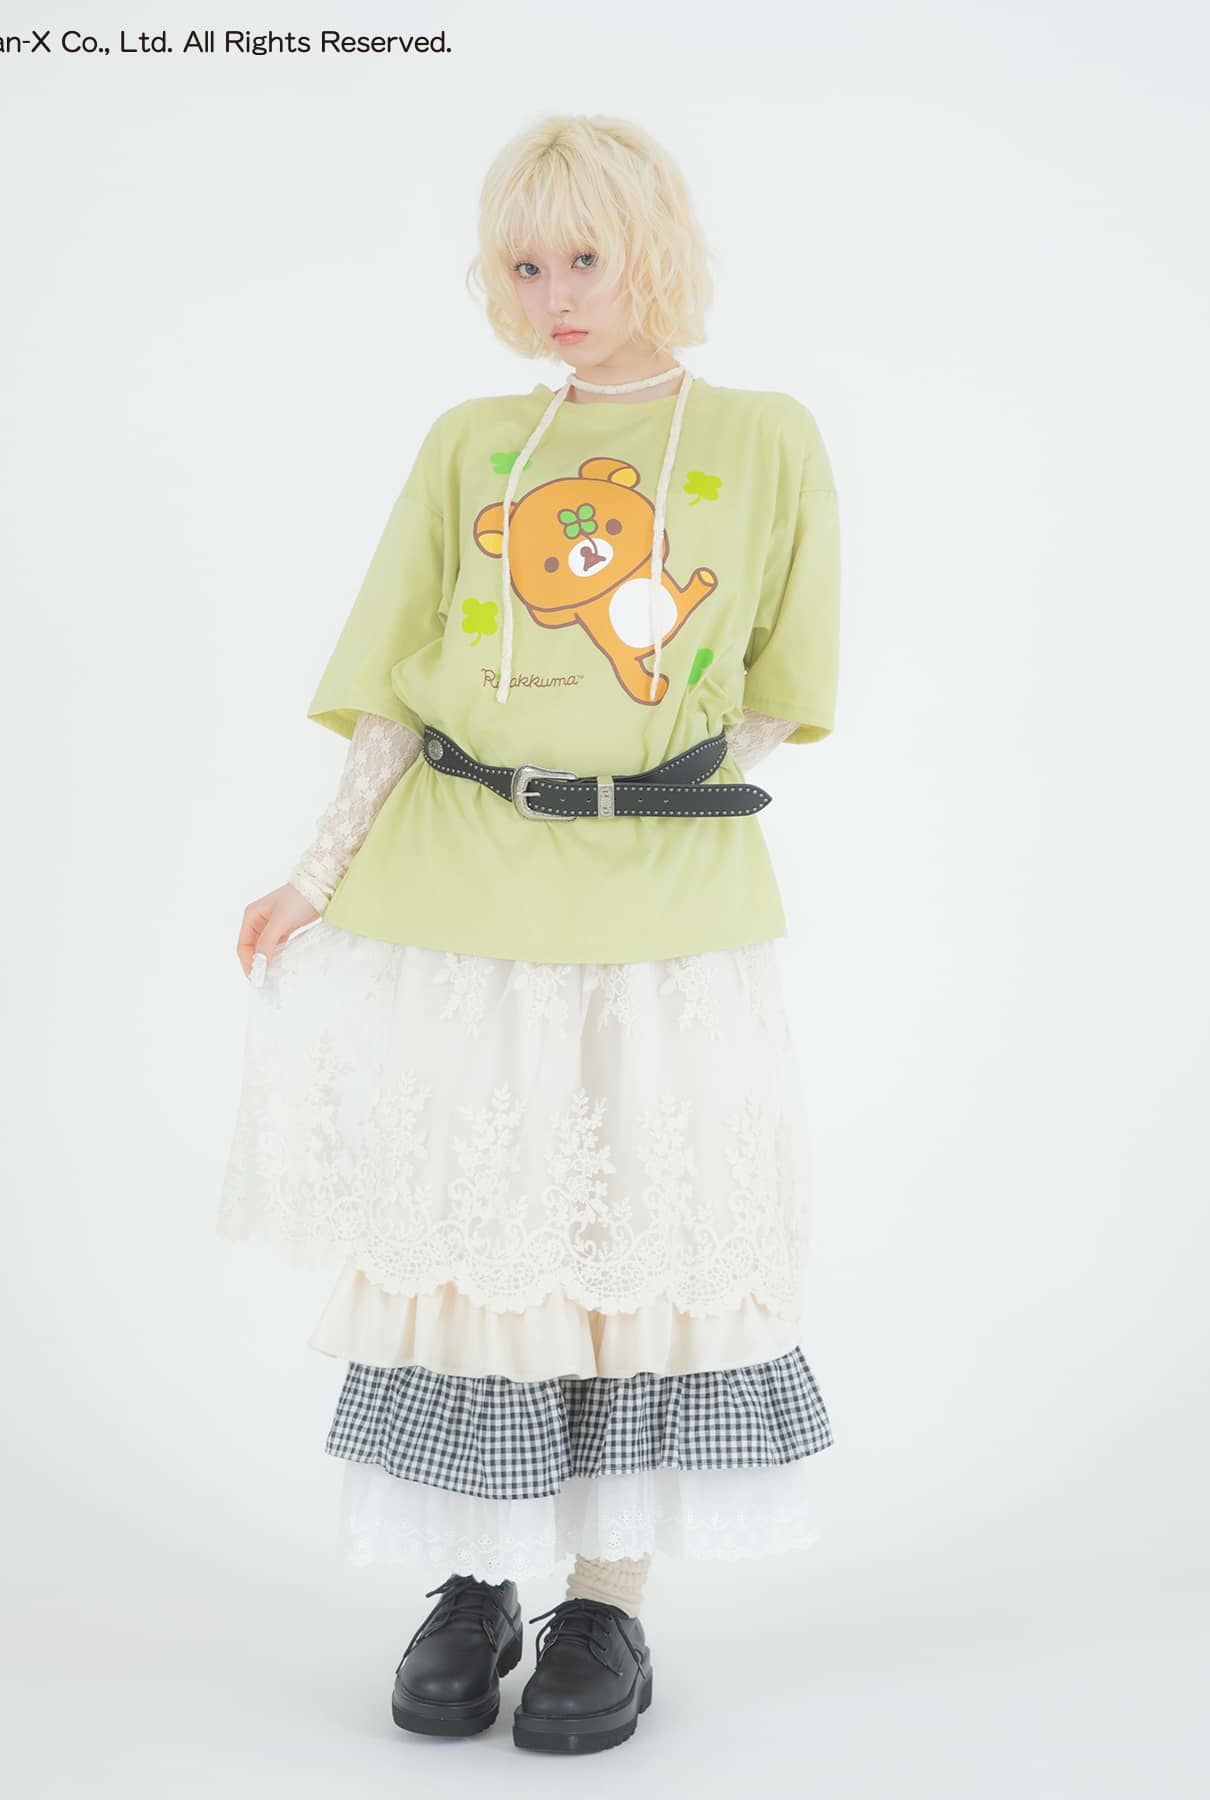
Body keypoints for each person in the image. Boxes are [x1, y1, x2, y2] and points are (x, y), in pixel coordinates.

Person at [218, 112, 842, 1755]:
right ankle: (473, 1581)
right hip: (458, 891)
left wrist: (644, 797)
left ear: (655, 255)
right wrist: (317, 872)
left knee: (638, 1235)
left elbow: (782, 686)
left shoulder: (764, 439)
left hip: (665, 914)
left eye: (584, 258)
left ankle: (606, 1601)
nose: (554, 293)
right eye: (524, 265)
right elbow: (392, 686)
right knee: (477, 1233)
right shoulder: (472, 443)